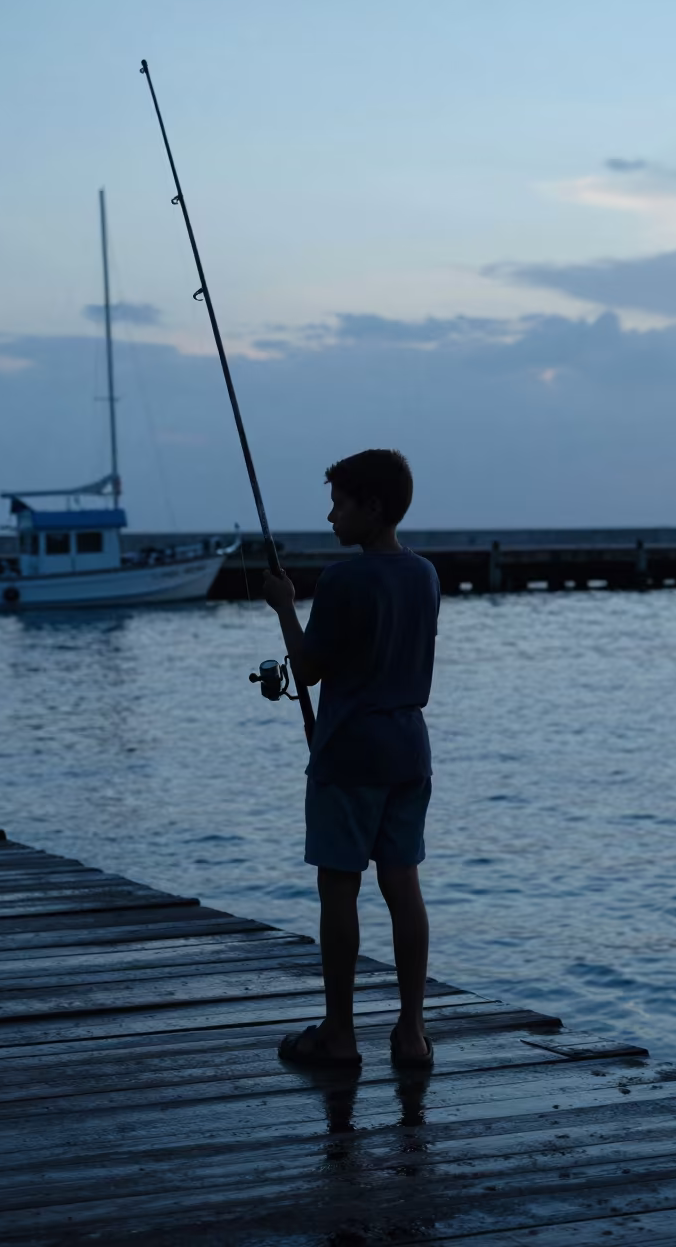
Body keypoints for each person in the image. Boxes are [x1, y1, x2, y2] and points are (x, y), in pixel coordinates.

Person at [263, 449, 440, 1070]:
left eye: (340, 502)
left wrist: (284, 604)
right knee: (403, 885)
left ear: (373, 507)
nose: (331, 514)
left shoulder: (342, 580)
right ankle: (412, 1033)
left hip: (349, 752)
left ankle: (340, 1034)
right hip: (408, 749)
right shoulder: (425, 575)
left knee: (339, 889)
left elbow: (308, 670)